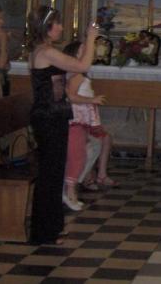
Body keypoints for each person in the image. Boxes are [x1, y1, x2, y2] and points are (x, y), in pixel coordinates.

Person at [29, 6, 97, 244]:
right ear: (46, 27)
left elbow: (66, 74)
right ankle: (43, 233)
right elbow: (82, 67)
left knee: (55, 172)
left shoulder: (48, 51)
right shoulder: (46, 51)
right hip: (48, 116)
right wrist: (91, 39)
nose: (60, 27)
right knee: (50, 174)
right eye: (56, 24)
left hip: (54, 115)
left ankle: (53, 227)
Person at [61, 41, 115, 206]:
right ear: (74, 55)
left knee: (94, 146)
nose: (87, 54)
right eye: (83, 51)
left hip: (83, 119)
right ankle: (71, 185)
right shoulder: (76, 75)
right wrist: (92, 100)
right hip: (76, 119)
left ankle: (75, 182)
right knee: (84, 152)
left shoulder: (78, 74)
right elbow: (71, 96)